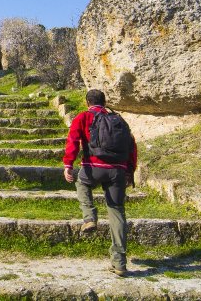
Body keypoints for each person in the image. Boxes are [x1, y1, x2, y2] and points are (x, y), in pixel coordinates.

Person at [63, 89, 137, 276]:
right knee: (116, 211)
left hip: (92, 168)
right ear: (104, 102)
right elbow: (132, 145)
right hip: (118, 171)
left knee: (82, 183)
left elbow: (73, 140)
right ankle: (119, 262)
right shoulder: (119, 120)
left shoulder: (84, 117)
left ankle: (89, 217)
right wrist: (129, 170)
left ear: (87, 102)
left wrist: (68, 164)